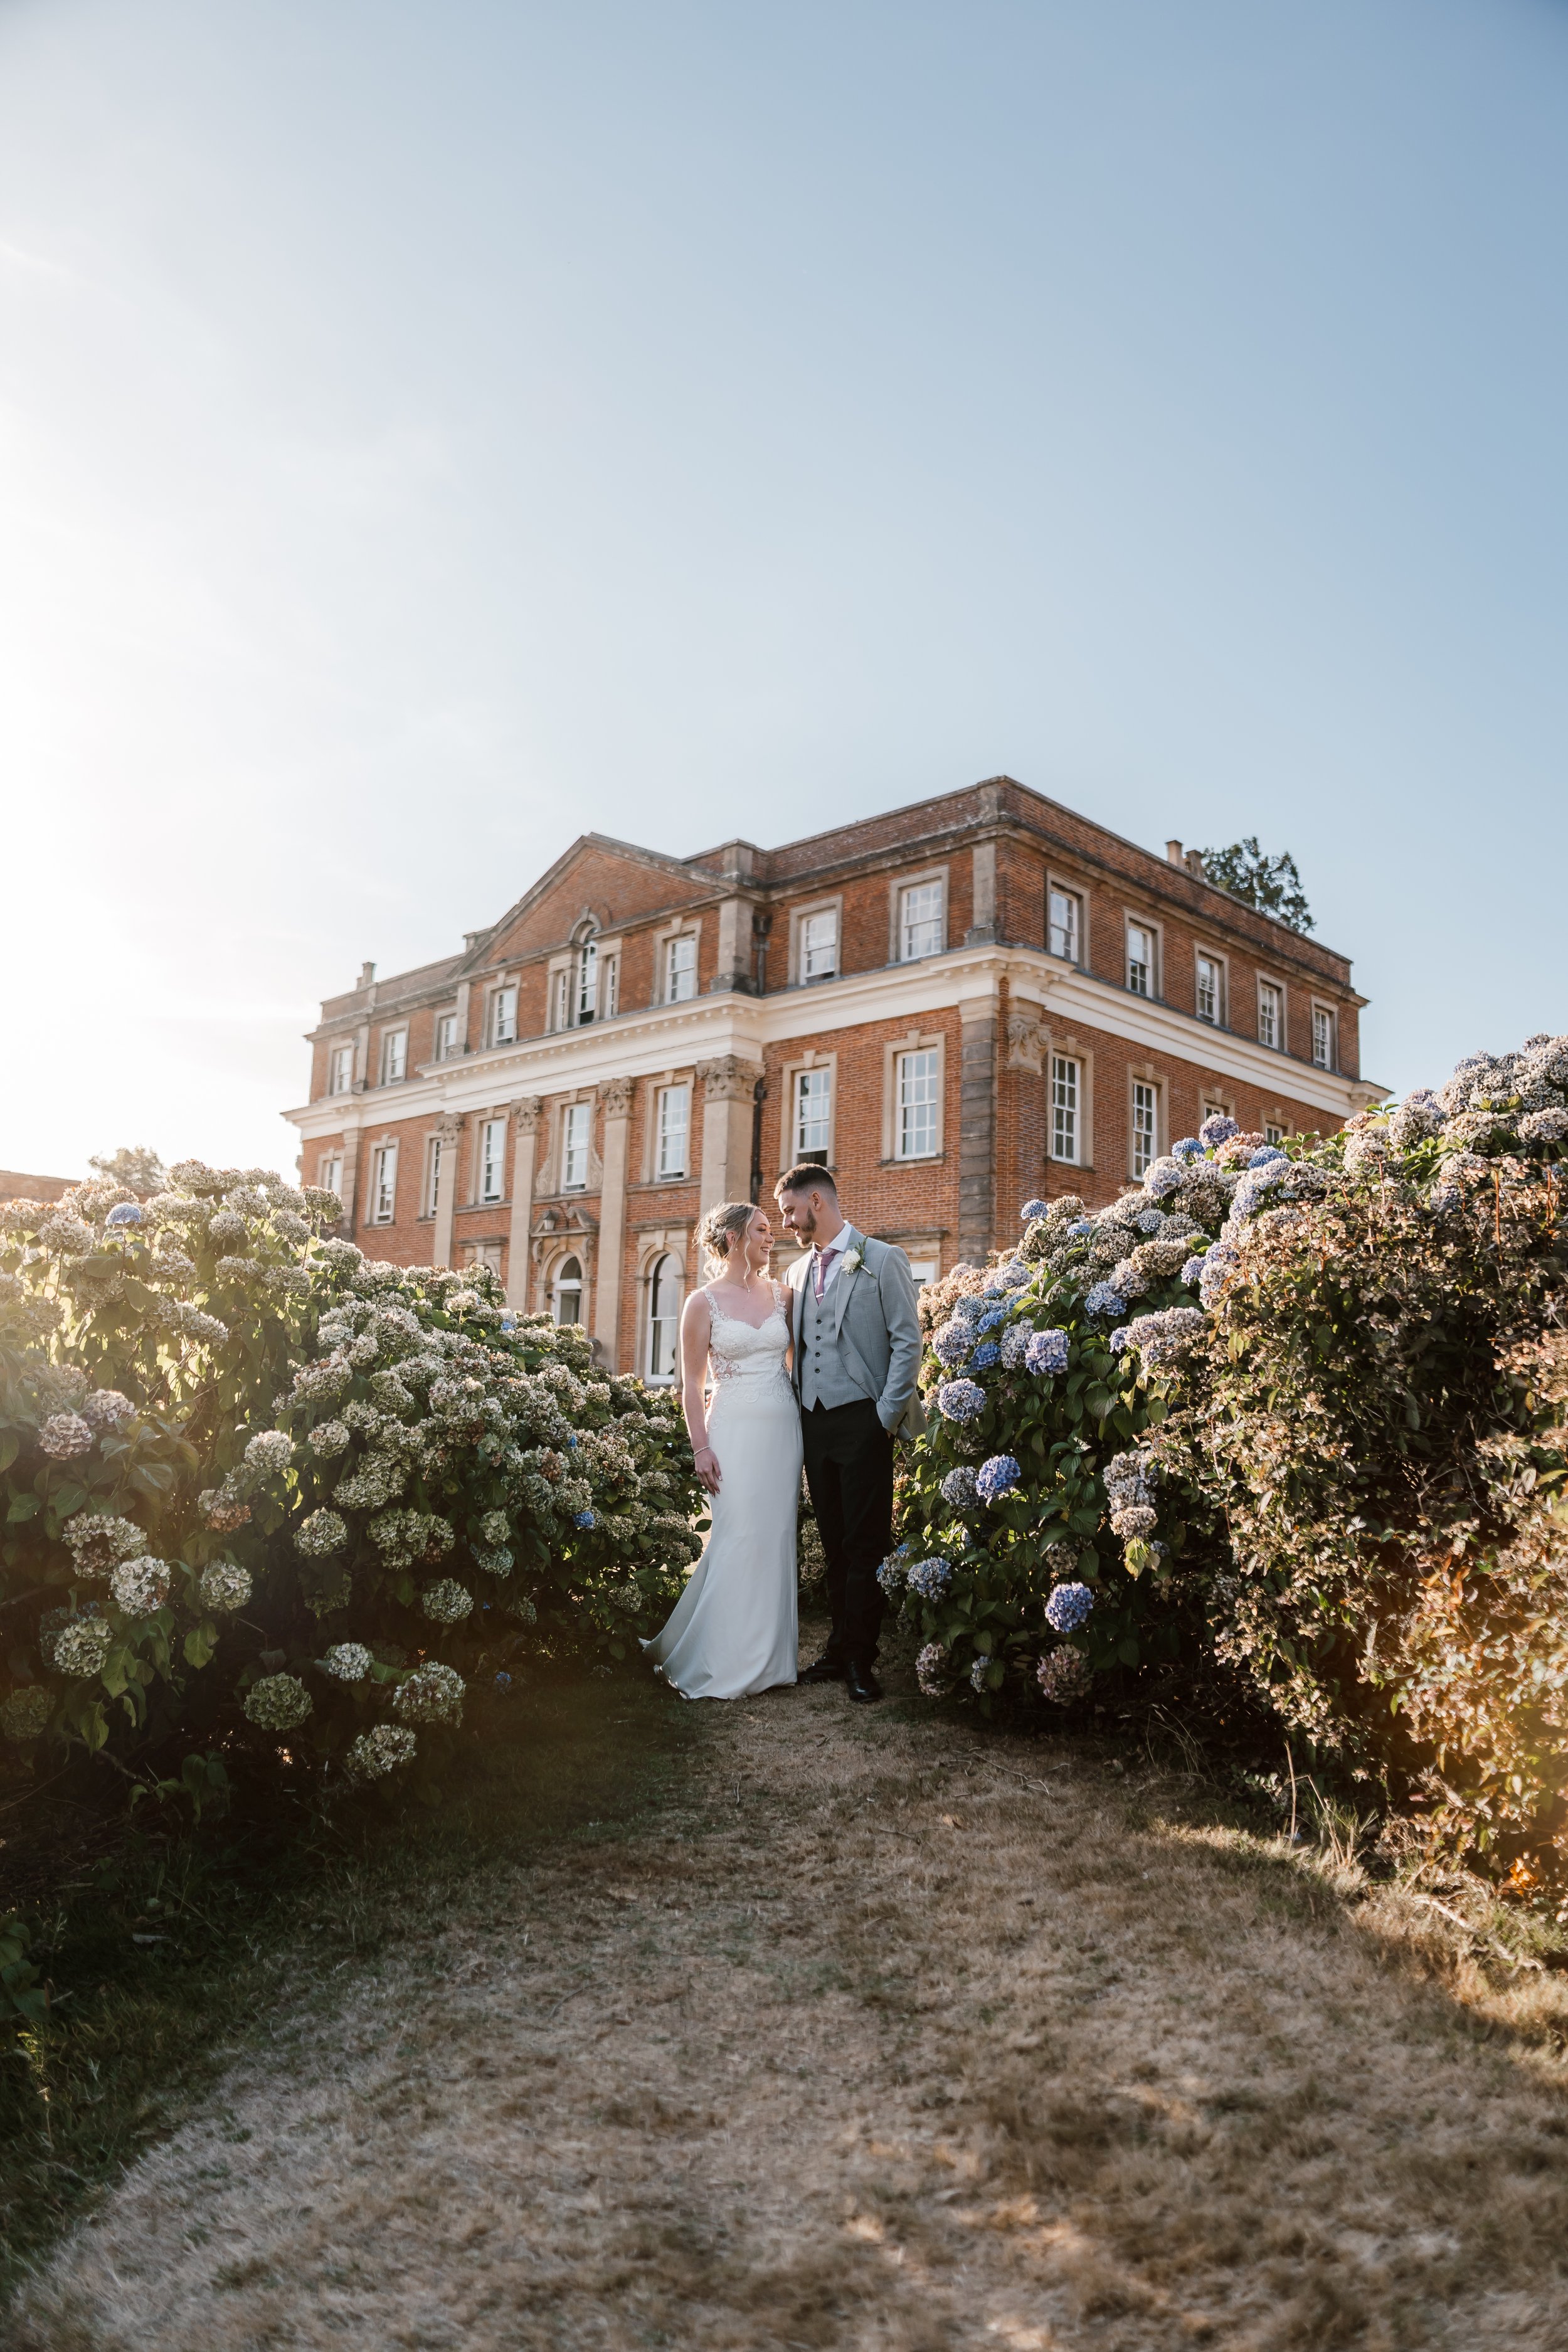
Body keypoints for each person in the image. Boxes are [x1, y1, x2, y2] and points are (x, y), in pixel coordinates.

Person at [641, 1200, 802, 1699]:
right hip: (730, 1433)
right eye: (762, 1229)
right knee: (736, 1536)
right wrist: (700, 1448)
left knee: (775, 1537)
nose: (771, 1237)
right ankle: (723, 1660)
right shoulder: (701, 1303)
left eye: (771, 1229)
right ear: (733, 1238)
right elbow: (691, 1386)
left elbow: (799, 1363)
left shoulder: (785, 1297)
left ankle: (772, 1662)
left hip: (782, 1431)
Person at [775, 1164, 922, 1704]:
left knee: (866, 1543)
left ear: (817, 1201)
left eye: (791, 1210)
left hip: (864, 1418)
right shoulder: (793, 1274)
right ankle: (838, 1649)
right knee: (834, 1541)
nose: (787, 1222)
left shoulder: (883, 1260)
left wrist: (884, 1418)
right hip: (814, 1422)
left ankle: (862, 1657)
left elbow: (909, 1343)